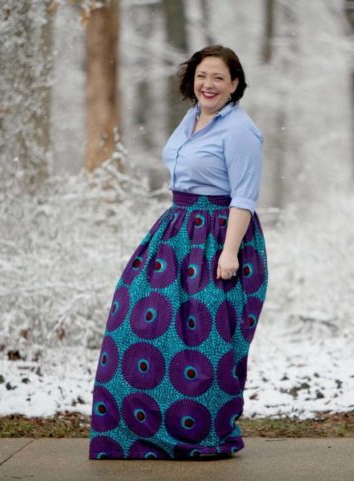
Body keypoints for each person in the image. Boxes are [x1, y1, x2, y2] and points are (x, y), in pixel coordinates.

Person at [88, 44, 268, 460]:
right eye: (203, 75)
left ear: (235, 84)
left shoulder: (240, 129)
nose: (209, 84)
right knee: (134, 323)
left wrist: (229, 253)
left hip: (219, 237)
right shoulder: (191, 119)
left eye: (219, 78)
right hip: (175, 231)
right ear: (192, 80)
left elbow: (244, 196)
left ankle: (197, 435)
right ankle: (136, 432)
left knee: (203, 341)